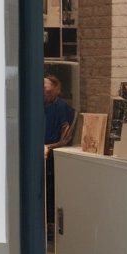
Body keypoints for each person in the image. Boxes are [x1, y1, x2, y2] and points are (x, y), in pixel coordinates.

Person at [44, 72, 75, 237]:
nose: (43, 89)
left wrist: (50, 146)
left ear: (55, 88)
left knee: (50, 187)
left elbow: (65, 135)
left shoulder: (61, 107)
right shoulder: (41, 105)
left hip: (52, 152)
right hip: (43, 150)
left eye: (46, 85)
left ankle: (51, 223)